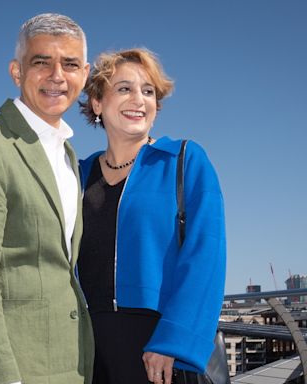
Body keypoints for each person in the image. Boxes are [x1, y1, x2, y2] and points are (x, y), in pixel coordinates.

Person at [0, 13, 93, 384]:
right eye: (41, 62)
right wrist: (2, 377)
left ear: (85, 75)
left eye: (70, 64)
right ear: (16, 71)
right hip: (13, 368)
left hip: (67, 363)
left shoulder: (67, 155)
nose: (57, 75)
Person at [77, 48, 226, 384]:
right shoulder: (77, 175)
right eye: (124, 88)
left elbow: (207, 255)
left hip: (160, 350)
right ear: (97, 103)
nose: (139, 99)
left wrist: (173, 341)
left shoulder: (185, 160)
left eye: (148, 91)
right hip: (90, 350)